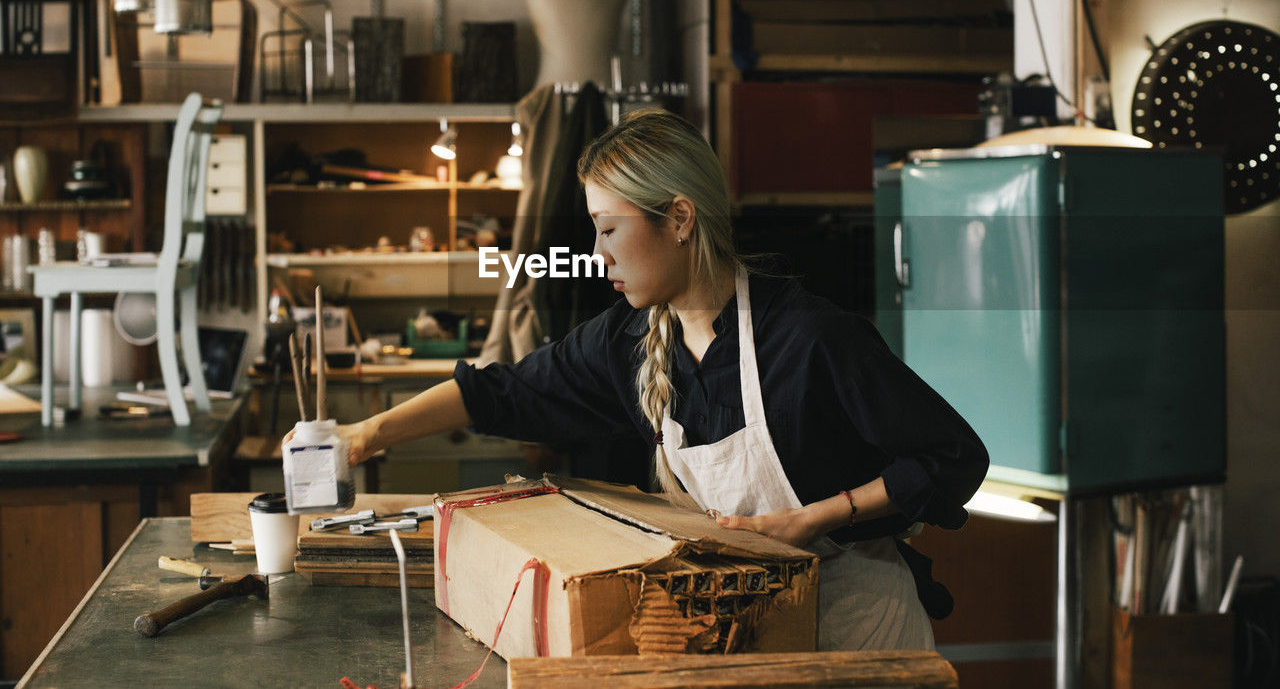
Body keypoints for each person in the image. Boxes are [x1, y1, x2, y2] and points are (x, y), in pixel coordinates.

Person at [332, 109, 989, 651]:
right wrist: (365, 434)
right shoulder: (634, 339)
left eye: (610, 228)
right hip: (747, 631)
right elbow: (504, 391)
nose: (598, 254)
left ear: (678, 219)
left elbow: (953, 457)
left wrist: (813, 517)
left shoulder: (809, 338)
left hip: (858, 631)